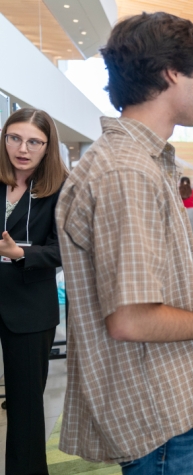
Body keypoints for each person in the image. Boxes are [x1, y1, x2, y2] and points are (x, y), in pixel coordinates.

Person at [55, 12, 193, 473]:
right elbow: (132, 319)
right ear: (172, 72)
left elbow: (135, 288)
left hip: (163, 397)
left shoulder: (137, 163)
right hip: (155, 405)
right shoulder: (128, 172)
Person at [0, 108, 68, 474]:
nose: (22, 148)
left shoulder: (61, 188)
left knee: (25, 408)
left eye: (33, 141)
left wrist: (20, 253)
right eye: (14, 138)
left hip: (29, 309)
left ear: (47, 146)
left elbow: (64, 250)